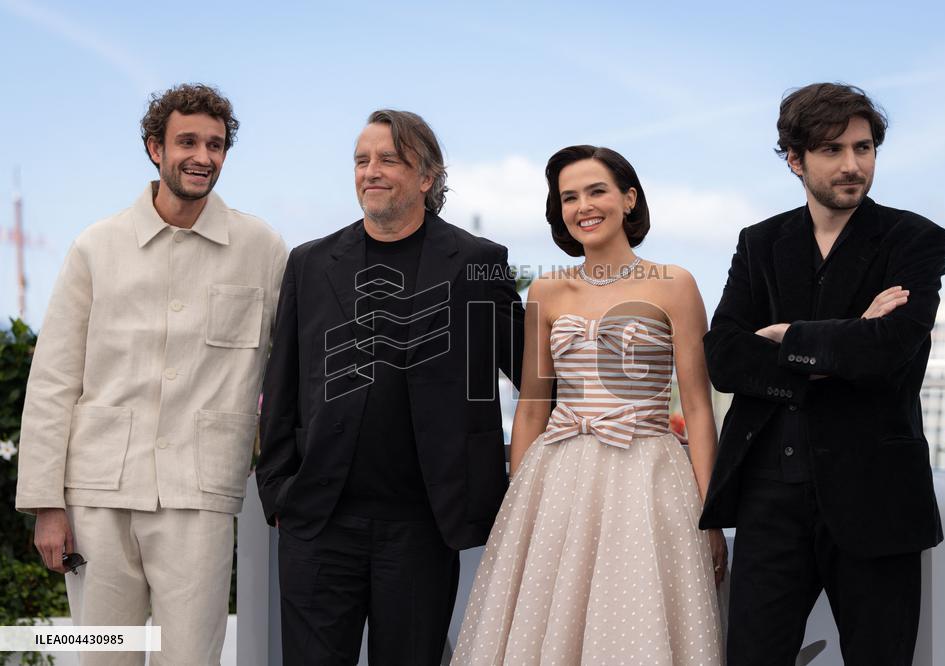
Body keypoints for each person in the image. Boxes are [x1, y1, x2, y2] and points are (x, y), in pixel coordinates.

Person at [15, 83, 287, 665]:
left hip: (200, 494)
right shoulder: (96, 247)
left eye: (215, 145)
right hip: (97, 495)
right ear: (154, 148)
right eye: (187, 142)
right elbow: (53, 380)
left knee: (189, 657)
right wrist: (45, 504)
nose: (202, 156)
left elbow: (289, 369)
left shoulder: (262, 249)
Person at [255, 109, 525, 665]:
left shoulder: (478, 263)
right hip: (318, 520)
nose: (370, 171)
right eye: (362, 160)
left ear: (427, 177)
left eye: (388, 159)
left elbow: (533, 373)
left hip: (424, 524)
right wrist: (278, 488)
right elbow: (281, 383)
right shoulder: (309, 263)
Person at [700, 82, 945, 665]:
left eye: (863, 148)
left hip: (877, 495)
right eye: (832, 150)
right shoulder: (760, 242)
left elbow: (888, 352)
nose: (852, 165)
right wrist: (846, 337)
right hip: (769, 495)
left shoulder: (916, 239)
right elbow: (724, 357)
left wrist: (786, 336)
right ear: (795, 159)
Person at [453, 145, 726, 665]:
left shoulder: (676, 284)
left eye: (596, 191)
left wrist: (712, 515)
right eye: (569, 197)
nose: (583, 206)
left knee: (637, 625)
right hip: (557, 480)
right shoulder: (546, 290)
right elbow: (532, 407)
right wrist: (520, 507)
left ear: (629, 199)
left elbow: (697, 408)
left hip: (648, 479)